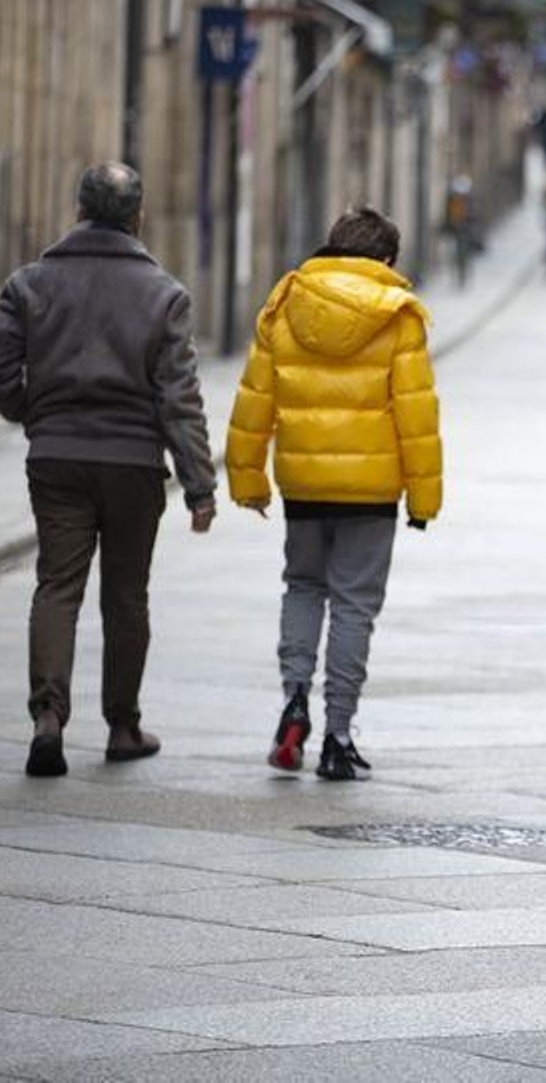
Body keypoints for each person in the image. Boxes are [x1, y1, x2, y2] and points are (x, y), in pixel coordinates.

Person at [0, 162, 216, 778]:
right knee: (126, 597)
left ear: (78, 211)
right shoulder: (165, 295)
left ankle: (48, 717)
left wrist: (35, 414)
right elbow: (177, 398)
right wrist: (199, 485)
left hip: (57, 458)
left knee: (57, 585)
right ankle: (123, 726)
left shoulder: (31, 283)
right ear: (138, 216)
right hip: (133, 464)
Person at [225, 207, 442, 779]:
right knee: (353, 607)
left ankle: (294, 700)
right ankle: (337, 734)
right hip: (370, 492)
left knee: (302, 587)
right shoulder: (398, 314)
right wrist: (423, 500)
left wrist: (248, 479)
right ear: (387, 259)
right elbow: (416, 415)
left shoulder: (285, 303)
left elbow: (254, 401)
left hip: (303, 485)